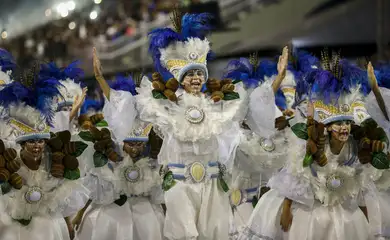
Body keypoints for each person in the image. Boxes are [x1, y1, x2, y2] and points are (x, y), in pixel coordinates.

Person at [93, 9, 289, 239]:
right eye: (190, 74)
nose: (196, 78)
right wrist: (100, 80)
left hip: (213, 184)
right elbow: (127, 106)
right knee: (184, 233)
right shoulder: (165, 106)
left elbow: (252, 105)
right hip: (179, 183)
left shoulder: (218, 106)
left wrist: (278, 80)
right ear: (179, 78)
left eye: (199, 72)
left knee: (214, 233)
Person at [239, 53, 388, 240]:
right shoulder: (309, 142)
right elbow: (295, 176)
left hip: (341, 209)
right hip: (309, 207)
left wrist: (374, 87)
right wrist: (286, 210)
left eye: (346, 123)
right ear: (326, 126)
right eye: (338, 123)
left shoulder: (353, 147)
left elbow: (359, 183)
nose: (343, 128)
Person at [0, 62, 90, 240]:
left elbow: (57, 134)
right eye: (31, 141)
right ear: (22, 144)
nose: (37, 146)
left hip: (48, 225)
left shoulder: (52, 158)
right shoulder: (9, 157)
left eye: (41, 141)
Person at [72, 75, 165, 240]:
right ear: (121, 142)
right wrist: (79, 214)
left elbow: (159, 196)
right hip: (111, 216)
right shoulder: (107, 157)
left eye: (139, 145)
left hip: (146, 218)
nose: (135, 149)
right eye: (130, 144)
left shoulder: (153, 161)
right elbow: (93, 193)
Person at [38, 61, 88, 134]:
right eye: (64, 110)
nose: (68, 112)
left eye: (71, 109)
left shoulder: (84, 133)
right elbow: (59, 127)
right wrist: (74, 110)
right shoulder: (49, 129)